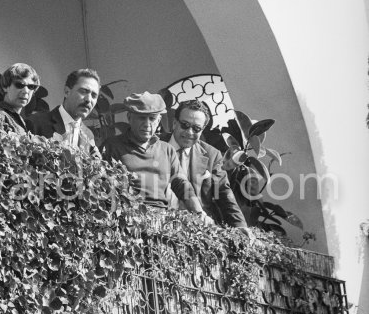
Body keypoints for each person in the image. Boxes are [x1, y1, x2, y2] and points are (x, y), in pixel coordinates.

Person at [101, 91, 209, 220]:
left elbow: (181, 184)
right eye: (142, 117)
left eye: (152, 118)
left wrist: (199, 213)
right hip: (126, 217)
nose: (147, 124)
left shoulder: (167, 149)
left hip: (161, 220)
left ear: (158, 120)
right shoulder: (112, 146)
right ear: (129, 117)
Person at [160, 99, 249, 229]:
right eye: (185, 125)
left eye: (196, 128)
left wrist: (240, 226)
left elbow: (224, 193)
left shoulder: (212, 155)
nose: (189, 132)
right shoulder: (155, 145)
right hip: (158, 221)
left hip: (198, 227)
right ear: (174, 123)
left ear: (202, 130)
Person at [26, 68, 99, 150]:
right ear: (67, 92)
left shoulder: (89, 135)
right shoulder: (36, 123)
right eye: (83, 91)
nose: (88, 99)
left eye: (94, 95)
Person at [0, 63, 40, 134]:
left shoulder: (18, 120)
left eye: (31, 86)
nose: (26, 91)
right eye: (19, 85)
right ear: (5, 87)